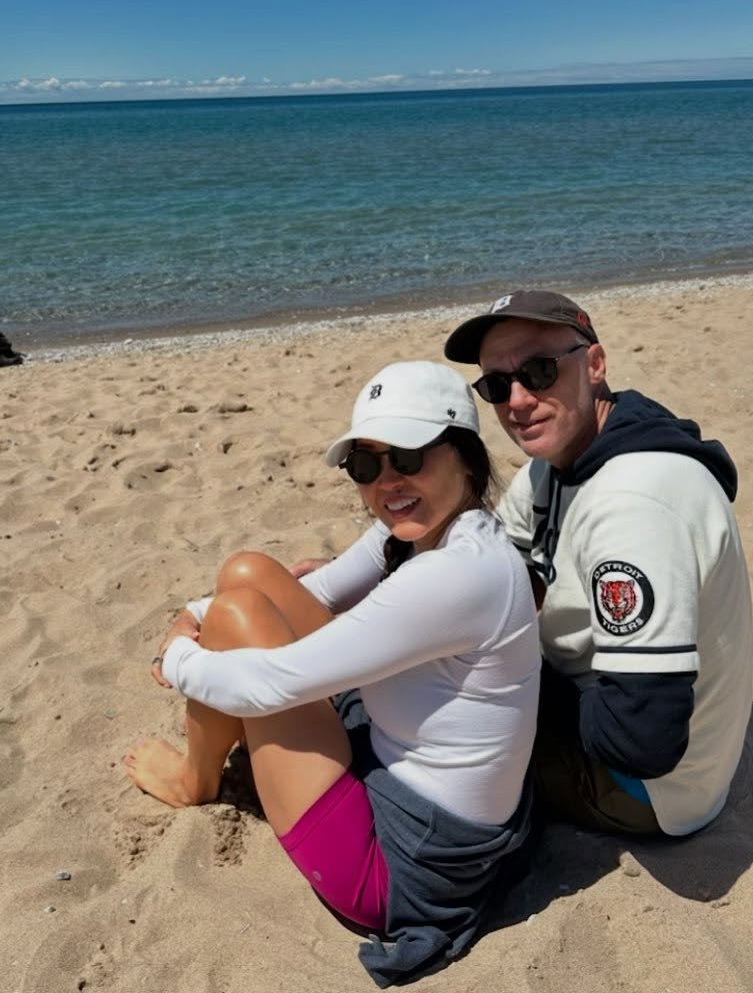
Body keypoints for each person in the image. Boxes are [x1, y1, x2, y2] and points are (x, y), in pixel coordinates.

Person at [125, 361, 540, 985]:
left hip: (401, 867)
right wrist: (193, 612)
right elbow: (313, 592)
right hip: (389, 756)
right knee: (246, 574)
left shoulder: (457, 574)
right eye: (366, 465)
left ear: (466, 456)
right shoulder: (431, 530)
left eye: (409, 456)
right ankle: (210, 743)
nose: (388, 482)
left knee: (236, 620)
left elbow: (271, 683)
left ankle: (195, 779)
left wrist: (177, 657)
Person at [443, 289, 753, 838]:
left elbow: (643, 742)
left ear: (594, 364)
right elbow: (491, 564)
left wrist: (514, 678)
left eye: (539, 371)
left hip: (651, 795)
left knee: (428, 708)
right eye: (496, 385)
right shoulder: (560, 460)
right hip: (648, 736)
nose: (518, 400)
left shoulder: (633, 505)